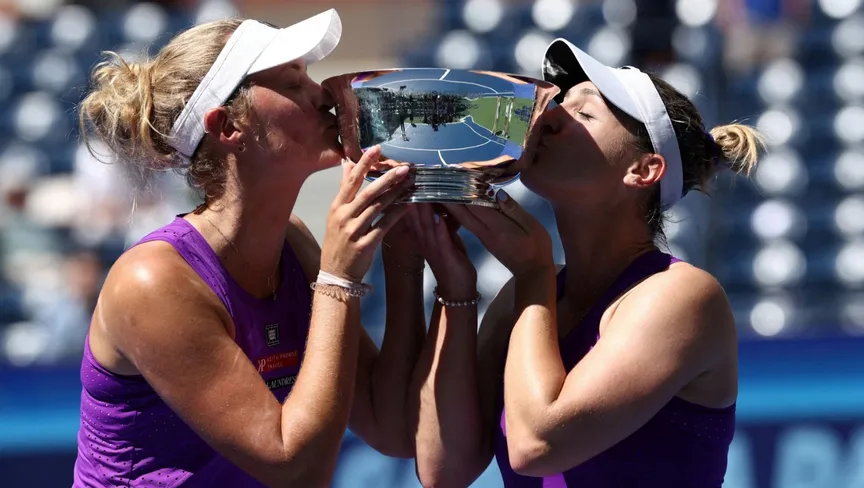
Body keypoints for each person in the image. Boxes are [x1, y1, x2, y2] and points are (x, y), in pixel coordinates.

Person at [74, 9, 427, 487]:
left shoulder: (293, 244)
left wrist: (404, 256)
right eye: (292, 81)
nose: (323, 93)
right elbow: (298, 470)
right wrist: (338, 280)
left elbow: (394, 429)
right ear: (227, 128)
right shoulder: (152, 282)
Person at [409, 38, 763, 487]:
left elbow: (536, 445)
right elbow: (443, 469)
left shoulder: (682, 295)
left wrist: (534, 273)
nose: (548, 116)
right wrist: (454, 288)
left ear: (643, 170)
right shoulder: (523, 296)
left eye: (586, 113)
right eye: (560, 103)